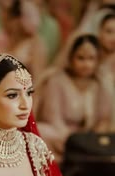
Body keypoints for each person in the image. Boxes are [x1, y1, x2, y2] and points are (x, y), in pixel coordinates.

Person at [35, 32, 113, 164]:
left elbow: (104, 119)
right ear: (70, 58)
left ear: (97, 60)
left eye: (91, 59)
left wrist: (91, 139)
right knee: (42, 132)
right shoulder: (57, 80)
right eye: (81, 58)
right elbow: (53, 118)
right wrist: (73, 140)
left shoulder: (100, 83)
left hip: (89, 140)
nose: (86, 64)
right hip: (61, 136)